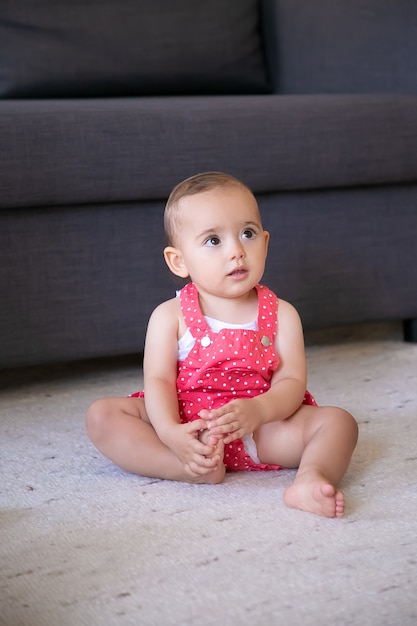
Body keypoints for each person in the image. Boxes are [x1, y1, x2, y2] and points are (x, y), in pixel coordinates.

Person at [86, 171, 358, 518]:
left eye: (247, 234)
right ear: (179, 261)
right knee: (102, 416)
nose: (237, 251)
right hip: (189, 427)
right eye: (213, 240)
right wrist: (170, 432)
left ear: (265, 243)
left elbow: (291, 383)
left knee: (339, 423)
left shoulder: (282, 314)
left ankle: (309, 479)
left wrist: (258, 411)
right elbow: (158, 380)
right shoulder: (169, 316)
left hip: (262, 430)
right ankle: (186, 467)